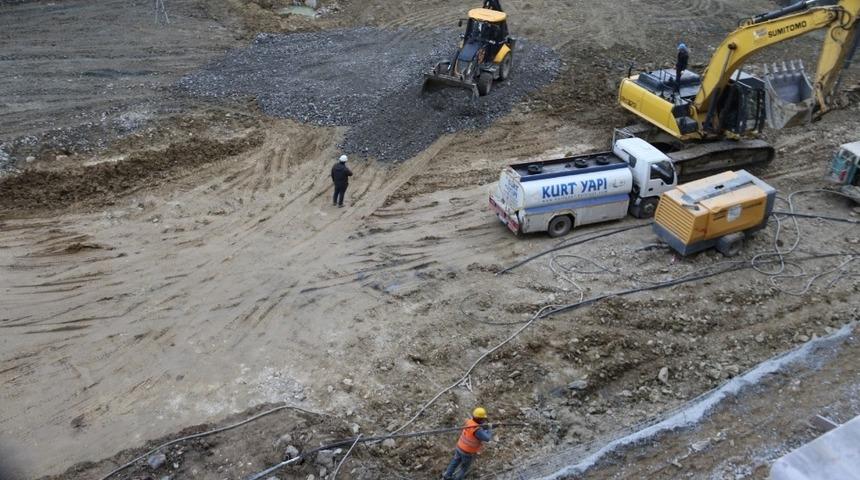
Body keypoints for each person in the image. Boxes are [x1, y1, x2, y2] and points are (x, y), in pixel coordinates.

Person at [442, 407, 493, 480]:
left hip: (459, 447)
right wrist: (489, 429)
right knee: (464, 467)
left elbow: (477, 429)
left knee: (455, 462)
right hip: (467, 452)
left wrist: (484, 428)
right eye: (483, 419)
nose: (484, 420)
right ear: (479, 419)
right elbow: (487, 438)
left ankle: (447, 475)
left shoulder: (469, 422)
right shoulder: (477, 430)